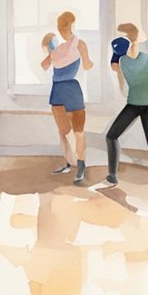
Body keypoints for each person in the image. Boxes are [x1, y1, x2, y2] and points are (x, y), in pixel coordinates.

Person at [104, 23, 148, 201]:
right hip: (137, 104)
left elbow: (115, 66)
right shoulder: (142, 61)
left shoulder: (124, 62)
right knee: (113, 136)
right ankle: (112, 177)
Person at [40, 11, 93, 185]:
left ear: (69, 27)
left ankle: (80, 166)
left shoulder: (77, 45)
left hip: (69, 89)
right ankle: (69, 163)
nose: (61, 31)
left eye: (62, 28)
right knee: (64, 132)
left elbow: (86, 65)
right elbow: (87, 65)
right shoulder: (63, 48)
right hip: (60, 91)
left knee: (77, 132)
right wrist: (50, 50)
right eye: (60, 28)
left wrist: (53, 54)